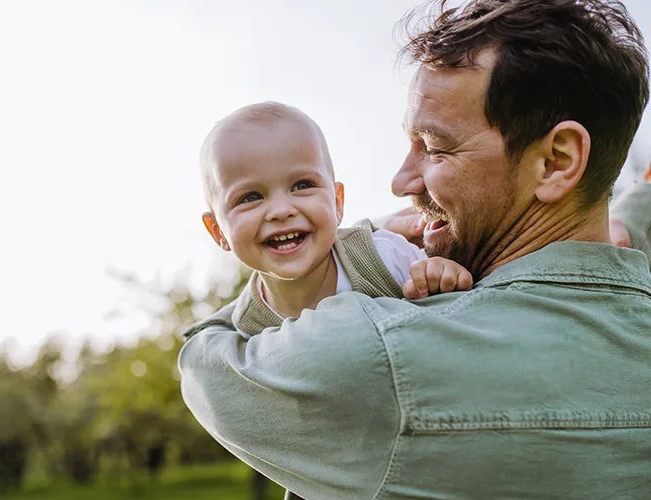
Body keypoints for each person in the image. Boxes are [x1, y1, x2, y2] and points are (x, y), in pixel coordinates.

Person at [179, 1, 651, 499]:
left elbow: (203, 359)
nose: (401, 181)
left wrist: (345, 248)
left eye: (434, 146)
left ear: (556, 162)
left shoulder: (371, 355)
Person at [197, 101, 473, 338]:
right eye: (250, 197)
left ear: (337, 202)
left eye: (302, 185)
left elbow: (450, 307)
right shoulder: (248, 325)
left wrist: (439, 275)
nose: (281, 211)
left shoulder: (380, 256)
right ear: (218, 231)